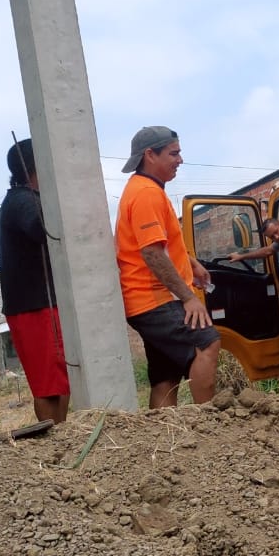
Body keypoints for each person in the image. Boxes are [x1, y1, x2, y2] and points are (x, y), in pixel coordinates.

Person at [114, 126, 222, 409]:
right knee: (207, 342)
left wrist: (191, 263)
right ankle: (209, 421)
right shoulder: (146, 193)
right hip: (154, 299)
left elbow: (160, 246)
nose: (180, 160)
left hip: (144, 300)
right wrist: (188, 298)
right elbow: (151, 253)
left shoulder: (145, 190)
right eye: (174, 154)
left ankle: (163, 432)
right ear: (150, 155)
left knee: (166, 374)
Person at [0, 138, 70, 424]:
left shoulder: (25, 198)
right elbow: (41, 228)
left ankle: (61, 436)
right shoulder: (23, 200)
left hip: (39, 305)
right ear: (36, 166)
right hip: (34, 308)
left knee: (59, 382)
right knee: (49, 386)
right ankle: (55, 440)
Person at [229, 218, 279, 299]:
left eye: (276, 231)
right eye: (272, 237)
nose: (276, 237)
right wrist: (240, 256)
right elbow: (267, 251)